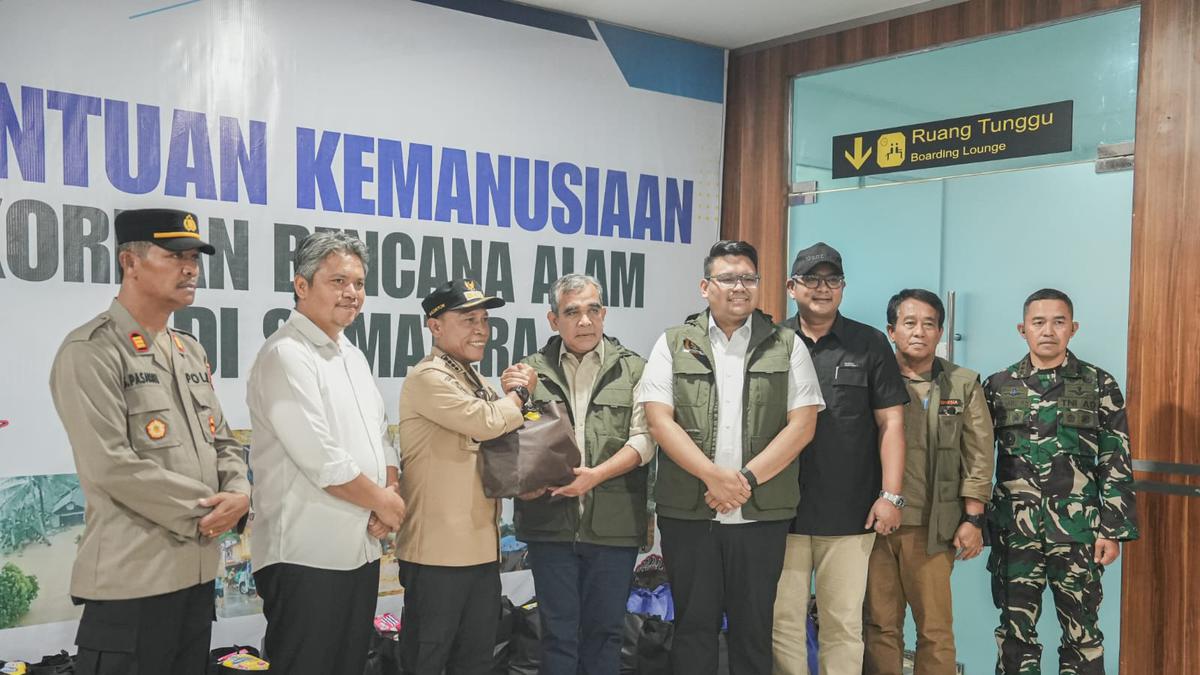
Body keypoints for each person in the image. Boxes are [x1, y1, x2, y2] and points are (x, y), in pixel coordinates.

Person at [49, 208, 251, 675]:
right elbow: (111, 465)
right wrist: (212, 512)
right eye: (175, 256)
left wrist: (240, 493)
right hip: (132, 585)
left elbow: (223, 441)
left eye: (194, 258)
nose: (190, 269)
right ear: (130, 262)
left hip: (195, 582)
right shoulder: (91, 351)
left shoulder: (188, 350)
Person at [639, 240, 824, 675]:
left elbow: (802, 425)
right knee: (693, 629)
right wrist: (713, 477)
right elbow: (659, 421)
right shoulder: (673, 343)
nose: (739, 287)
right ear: (705, 286)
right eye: (727, 278)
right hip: (690, 513)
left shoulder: (787, 344)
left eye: (748, 278)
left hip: (760, 516)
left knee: (754, 632)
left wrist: (744, 481)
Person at [246, 232, 405, 675]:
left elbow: (381, 438)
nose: (352, 293)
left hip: (360, 549)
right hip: (305, 555)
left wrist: (389, 489)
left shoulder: (352, 355)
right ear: (302, 285)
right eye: (338, 281)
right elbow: (321, 458)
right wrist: (384, 501)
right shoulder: (285, 354)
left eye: (359, 283)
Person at [984, 288, 1138, 675]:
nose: (1048, 331)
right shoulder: (999, 385)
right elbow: (977, 459)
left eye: (1058, 322)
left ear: (1073, 328)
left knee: (1082, 635)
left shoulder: (1098, 383)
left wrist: (1112, 530)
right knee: (1015, 635)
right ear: (1022, 329)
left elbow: (1115, 456)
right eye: (1038, 322)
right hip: (1015, 533)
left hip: (1078, 533)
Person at [773, 242, 909, 675]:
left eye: (832, 279)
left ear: (843, 288)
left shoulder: (869, 343)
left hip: (850, 512)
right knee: (782, 622)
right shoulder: (771, 342)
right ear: (792, 287)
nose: (822, 288)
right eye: (812, 279)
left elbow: (891, 423)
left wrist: (891, 495)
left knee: (844, 624)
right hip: (780, 510)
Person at [396, 279, 539, 675]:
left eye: (484, 320)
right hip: (437, 555)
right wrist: (519, 395)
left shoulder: (473, 379)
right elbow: (487, 421)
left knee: (476, 661)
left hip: (480, 551)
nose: (481, 330)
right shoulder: (428, 377)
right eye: (468, 319)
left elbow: (509, 428)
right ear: (435, 326)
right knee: (427, 660)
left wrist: (514, 396)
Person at [515, 273, 653, 675]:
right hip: (549, 526)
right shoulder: (529, 372)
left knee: (606, 634)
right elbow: (511, 443)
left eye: (593, 310)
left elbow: (646, 439)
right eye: (572, 312)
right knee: (557, 635)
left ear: (604, 313)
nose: (585, 321)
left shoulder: (633, 369)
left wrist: (596, 475)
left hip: (614, 527)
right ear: (553, 319)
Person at [863, 289, 994, 675]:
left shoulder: (962, 384)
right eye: (909, 323)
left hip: (934, 528)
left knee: (935, 630)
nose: (919, 332)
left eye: (929, 324)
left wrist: (973, 519)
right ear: (891, 331)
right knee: (879, 626)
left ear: (940, 332)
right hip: (875, 525)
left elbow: (979, 455)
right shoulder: (870, 379)